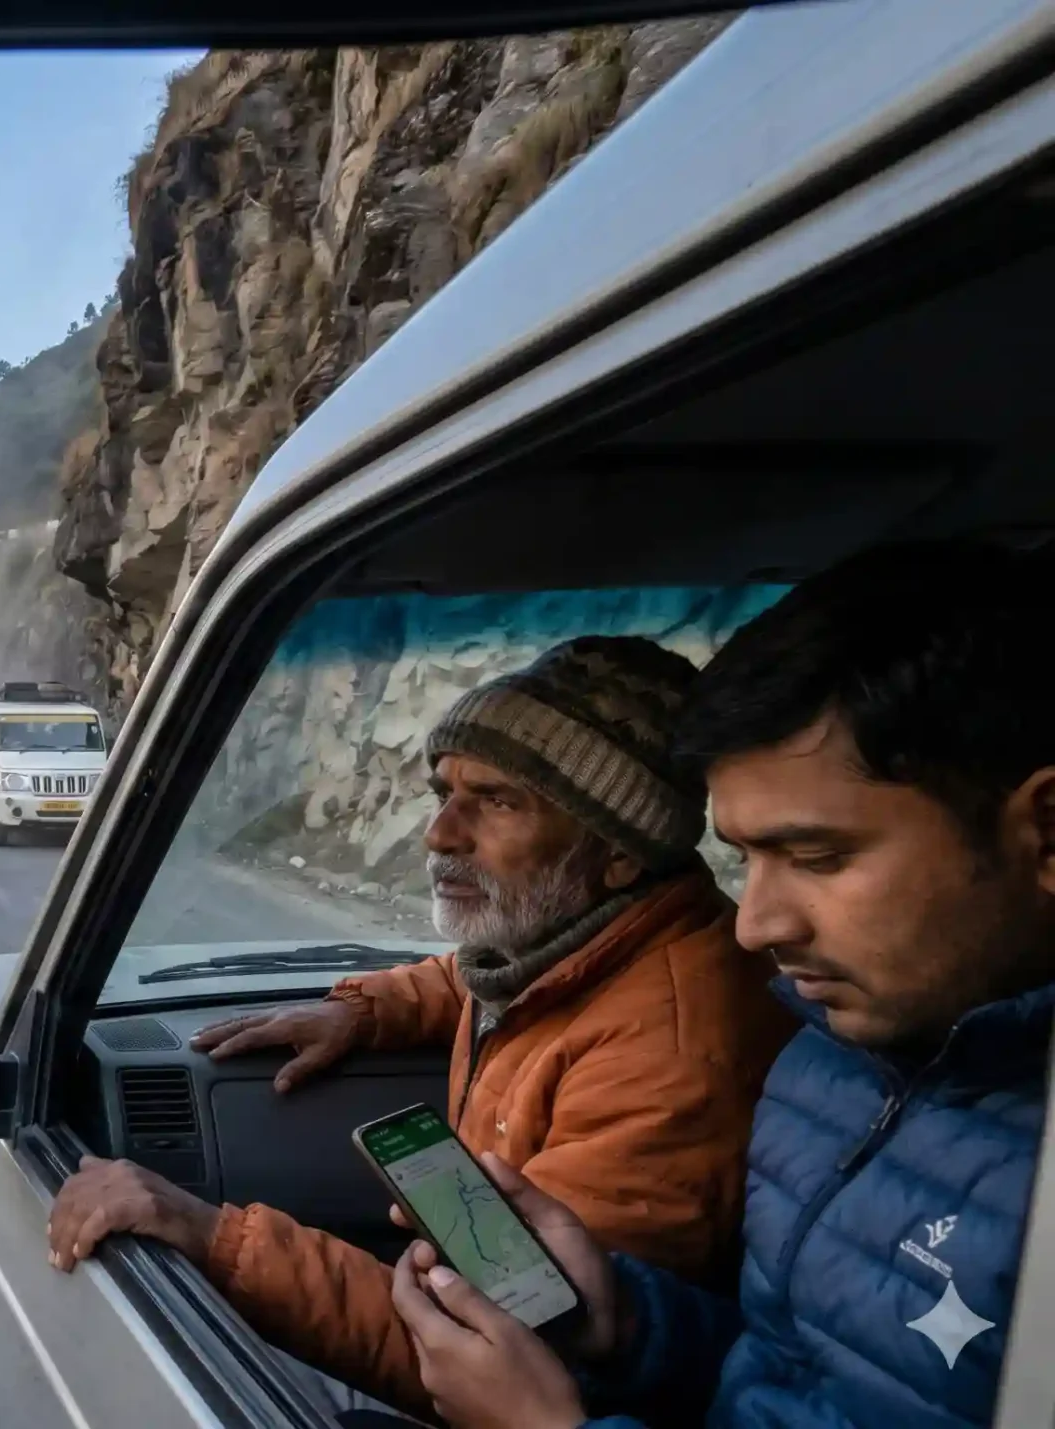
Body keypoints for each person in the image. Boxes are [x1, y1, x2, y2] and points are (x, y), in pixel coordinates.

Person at [385, 540, 1051, 1429]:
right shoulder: (827, 1062)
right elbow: (785, 1376)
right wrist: (620, 1323)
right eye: (742, 859)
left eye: (817, 856)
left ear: (1044, 832)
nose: (754, 925)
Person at [47, 635, 796, 1415]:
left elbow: (492, 1350)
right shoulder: (584, 932)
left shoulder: (672, 1052)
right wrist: (361, 1012)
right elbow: (478, 977)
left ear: (618, 849)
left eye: (500, 800)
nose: (439, 833)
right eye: (445, 791)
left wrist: (209, 1236)